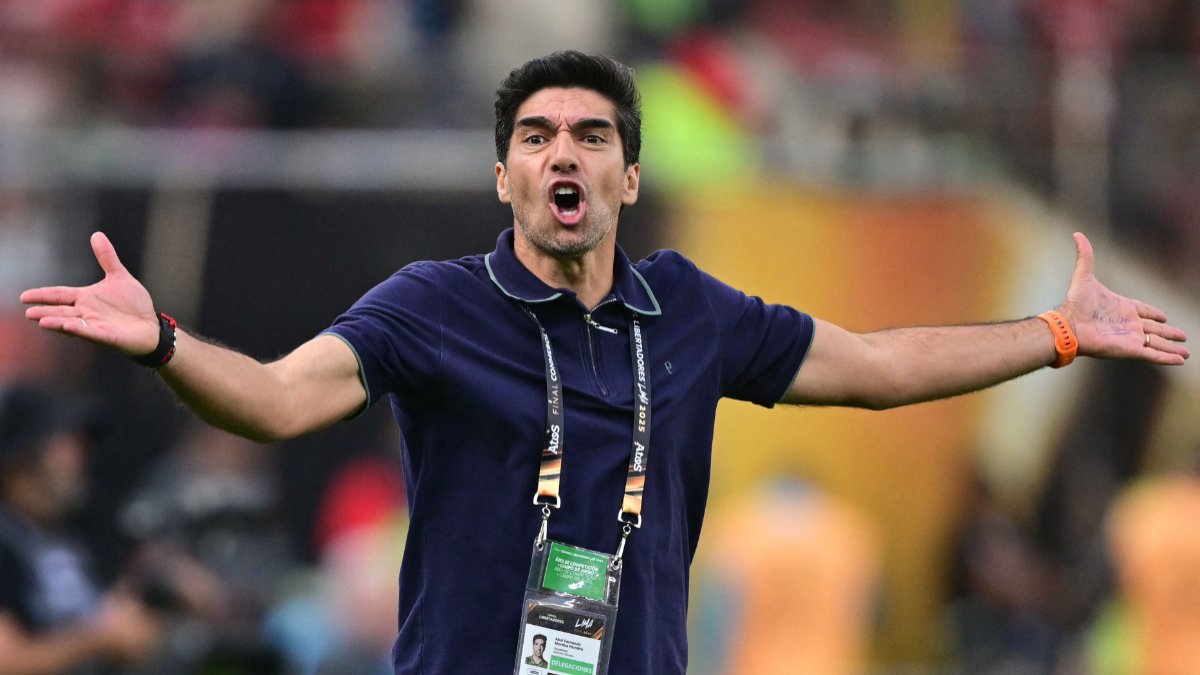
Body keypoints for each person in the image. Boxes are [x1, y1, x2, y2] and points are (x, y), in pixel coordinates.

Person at [18, 51, 1189, 674]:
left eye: (590, 134)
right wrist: (166, 344)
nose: (561, 153)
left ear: (628, 176)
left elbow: (877, 363)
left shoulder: (687, 309)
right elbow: (276, 401)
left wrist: (1055, 333)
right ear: (505, 180)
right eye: (535, 138)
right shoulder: (432, 306)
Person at [0, 381, 161, 674]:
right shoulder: (6, 542)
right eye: (66, 445)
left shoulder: (70, 540)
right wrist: (99, 638)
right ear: (21, 456)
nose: (81, 458)